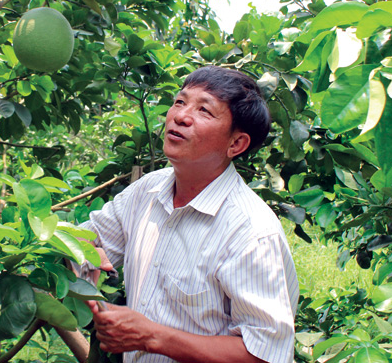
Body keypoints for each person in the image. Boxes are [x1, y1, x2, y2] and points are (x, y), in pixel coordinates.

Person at [81, 66, 299, 363]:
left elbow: (264, 355)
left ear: (236, 144)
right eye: (180, 101)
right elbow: (88, 237)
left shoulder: (252, 232)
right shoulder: (147, 190)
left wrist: (152, 336)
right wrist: (86, 251)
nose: (180, 116)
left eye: (205, 111)